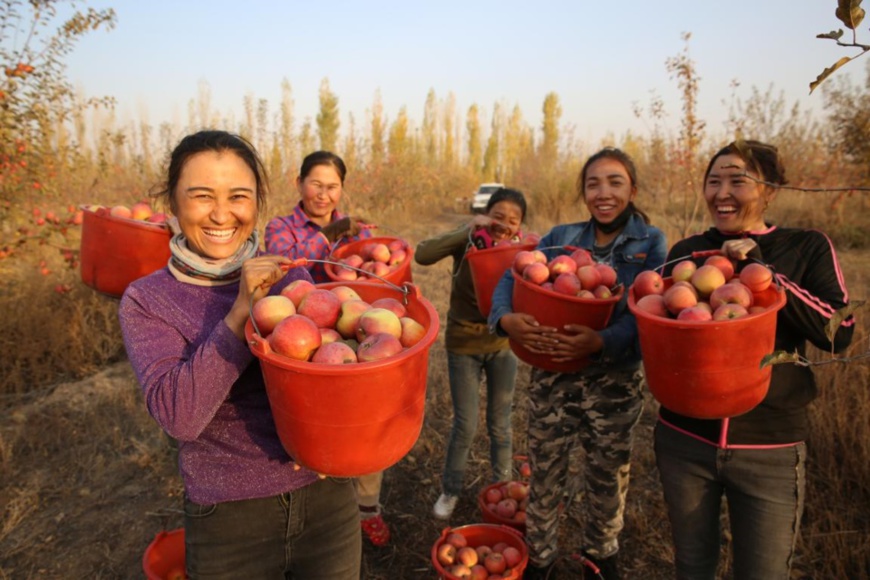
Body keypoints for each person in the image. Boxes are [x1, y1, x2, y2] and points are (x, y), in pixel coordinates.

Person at [118, 131, 361, 578]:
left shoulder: (292, 281)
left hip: (328, 504)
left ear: (257, 202)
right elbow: (180, 418)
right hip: (230, 520)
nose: (222, 213)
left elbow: (335, 382)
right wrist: (239, 316)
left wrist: (340, 448)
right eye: (202, 196)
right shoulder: (147, 300)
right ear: (172, 202)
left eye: (239, 196)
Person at [654, 140, 855, 580]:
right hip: (684, 439)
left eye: (738, 181)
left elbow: (840, 333)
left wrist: (763, 273)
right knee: (692, 566)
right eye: (713, 181)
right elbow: (662, 331)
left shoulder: (805, 246)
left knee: (762, 572)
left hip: (771, 447)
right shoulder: (688, 252)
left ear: (770, 190)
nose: (722, 192)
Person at [488, 148, 667, 580]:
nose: (603, 193)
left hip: (613, 386)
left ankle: (600, 559)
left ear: (633, 189)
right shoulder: (561, 237)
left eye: (615, 182)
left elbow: (651, 310)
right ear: (583, 191)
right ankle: (540, 560)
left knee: (607, 479)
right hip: (553, 377)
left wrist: (600, 342)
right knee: (545, 474)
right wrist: (505, 320)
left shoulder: (651, 243)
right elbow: (510, 279)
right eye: (593, 184)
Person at [264, 151, 391, 548]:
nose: (323, 193)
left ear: (342, 188)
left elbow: (374, 276)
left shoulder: (356, 230)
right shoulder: (280, 226)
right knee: (315, 436)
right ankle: (320, 521)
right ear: (299, 183)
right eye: (315, 184)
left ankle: (368, 510)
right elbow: (287, 265)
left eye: (332, 186)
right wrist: (333, 234)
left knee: (366, 427)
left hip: (353, 337)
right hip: (304, 342)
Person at [415, 187, 528, 520]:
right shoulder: (468, 241)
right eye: (498, 216)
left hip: (501, 345)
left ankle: (504, 491)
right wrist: (466, 229)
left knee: (501, 424)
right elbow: (422, 254)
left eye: (513, 220)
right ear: (485, 215)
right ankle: (450, 490)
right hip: (464, 344)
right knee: (465, 424)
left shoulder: (522, 251)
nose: (504, 225)